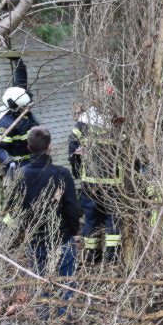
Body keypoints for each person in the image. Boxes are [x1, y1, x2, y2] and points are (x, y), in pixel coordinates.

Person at [5, 127, 82, 317]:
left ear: (29, 148)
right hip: (62, 240)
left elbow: (12, 211)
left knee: (40, 285)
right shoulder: (61, 174)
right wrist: (72, 232)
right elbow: (72, 208)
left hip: (35, 240)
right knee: (64, 284)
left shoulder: (20, 175)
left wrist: (24, 232)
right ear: (50, 147)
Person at [68, 107, 124, 263]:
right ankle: (112, 260)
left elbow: (72, 148)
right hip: (113, 184)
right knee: (113, 222)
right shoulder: (117, 122)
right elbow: (128, 151)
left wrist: (77, 168)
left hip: (91, 184)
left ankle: (91, 258)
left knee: (91, 221)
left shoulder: (84, 124)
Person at [0, 59, 39, 175]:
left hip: (34, 161)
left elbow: (21, 84)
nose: (29, 107)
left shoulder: (17, 100)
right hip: (19, 167)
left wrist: (20, 65)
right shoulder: (4, 123)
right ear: (17, 107)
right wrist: (9, 163)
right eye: (26, 106)